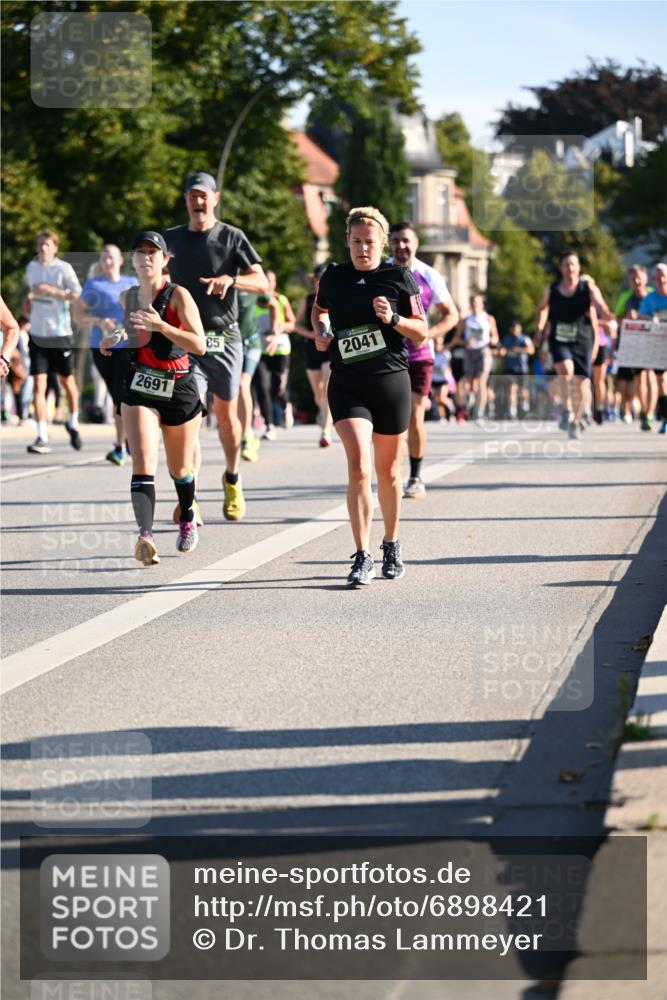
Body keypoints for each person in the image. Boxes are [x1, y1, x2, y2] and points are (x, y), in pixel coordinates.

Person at [312, 206, 428, 587]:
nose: (363, 249)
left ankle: (391, 543)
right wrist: (322, 330)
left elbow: (421, 332)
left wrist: (393, 319)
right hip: (347, 382)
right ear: (347, 241)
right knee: (360, 466)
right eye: (356, 242)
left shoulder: (399, 277)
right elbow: (319, 312)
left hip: (390, 382)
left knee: (389, 471)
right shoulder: (333, 276)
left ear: (382, 243)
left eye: (370, 242)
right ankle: (361, 555)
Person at [164, 172, 268, 522]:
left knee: (226, 417)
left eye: (204, 196)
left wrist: (232, 279)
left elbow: (262, 281)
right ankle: (189, 497)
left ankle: (232, 477)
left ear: (215, 198)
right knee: (190, 414)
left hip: (224, 338)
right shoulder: (171, 239)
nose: (198, 202)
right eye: (192, 196)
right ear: (186, 199)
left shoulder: (231, 237)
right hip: (184, 339)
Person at [100, 231, 205, 564]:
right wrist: (115, 336)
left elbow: (198, 344)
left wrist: (163, 327)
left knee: (180, 468)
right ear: (133, 259)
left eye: (152, 252)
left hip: (178, 385)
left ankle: (187, 515)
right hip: (140, 385)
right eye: (140, 252)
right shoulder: (128, 297)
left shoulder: (178, 296)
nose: (146, 257)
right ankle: (145, 535)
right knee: (143, 461)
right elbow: (130, 330)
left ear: (164, 259)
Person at [388, 222, 459, 498]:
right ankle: (390, 469)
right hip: (387, 354)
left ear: (416, 243)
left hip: (419, 355)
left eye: (405, 240)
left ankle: (415, 476)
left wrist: (429, 335)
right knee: (392, 416)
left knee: (416, 415)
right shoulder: (379, 270)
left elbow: (451, 314)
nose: (401, 246)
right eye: (395, 241)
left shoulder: (429, 275)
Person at [75, 244, 138, 465]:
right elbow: (79, 313)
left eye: (111, 256)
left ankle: (121, 446)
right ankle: (125, 441)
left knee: (122, 394)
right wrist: (98, 321)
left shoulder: (131, 283)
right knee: (115, 394)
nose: (107, 260)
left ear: (120, 260)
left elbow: (143, 308)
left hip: (128, 345)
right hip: (100, 345)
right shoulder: (94, 284)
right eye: (103, 257)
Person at [535, 252, 606, 439]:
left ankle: (575, 420)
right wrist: (539, 329)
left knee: (581, 382)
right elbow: (542, 309)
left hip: (582, 340)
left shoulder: (587, 288)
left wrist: (607, 314)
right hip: (559, 338)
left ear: (579, 267)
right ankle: (566, 409)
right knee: (566, 370)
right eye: (566, 264)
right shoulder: (552, 289)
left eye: (573, 264)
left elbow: (601, 307)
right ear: (561, 268)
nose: (570, 268)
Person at [24, 229, 82, 454]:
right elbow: (31, 294)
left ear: (55, 248)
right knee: (39, 383)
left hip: (60, 334)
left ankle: (73, 422)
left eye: (47, 245)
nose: (43, 248)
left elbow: (76, 294)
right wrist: (28, 303)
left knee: (67, 382)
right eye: (40, 244)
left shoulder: (63, 269)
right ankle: (41, 436)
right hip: (37, 333)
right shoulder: (31, 268)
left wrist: (53, 291)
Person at [294, 264, 334, 447]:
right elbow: (295, 324)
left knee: (326, 391)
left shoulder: (335, 297)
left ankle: (325, 430)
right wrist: (310, 334)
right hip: (311, 348)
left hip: (330, 348)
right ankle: (324, 412)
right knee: (318, 395)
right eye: (318, 279)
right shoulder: (308, 299)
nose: (320, 282)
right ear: (314, 280)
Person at [253, 270, 296, 439]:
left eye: (272, 280)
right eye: (266, 280)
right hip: (259, 349)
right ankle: (270, 426)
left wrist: (279, 328)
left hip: (280, 349)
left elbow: (292, 324)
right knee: (262, 387)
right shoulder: (253, 301)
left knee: (278, 388)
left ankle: (286, 405)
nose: (269, 284)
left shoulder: (281, 300)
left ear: (275, 283)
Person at [238, 289, 277, 462]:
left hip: (251, 343)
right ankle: (239, 431)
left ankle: (247, 435)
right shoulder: (213, 281)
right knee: (232, 392)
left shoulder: (250, 284)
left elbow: (273, 304)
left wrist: (274, 333)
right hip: (229, 345)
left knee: (242, 384)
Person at [450, 294, 499, 420]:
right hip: (470, 352)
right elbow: (456, 338)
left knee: (482, 381)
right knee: (470, 383)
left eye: (476, 302)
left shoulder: (488, 319)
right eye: (472, 302)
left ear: (482, 304)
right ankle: (471, 404)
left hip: (483, 351)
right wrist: (466, 342)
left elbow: (495, 336)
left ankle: (479, 412)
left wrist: (492, 340)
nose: (474, 305)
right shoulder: (466, 321)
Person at [614, 265, 651, 424]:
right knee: (636, 379)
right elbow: (616, 319)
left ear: (646, 278)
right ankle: (643, 412)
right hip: (631, 344)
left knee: (654, 378)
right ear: (629, 281)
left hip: (654, 342)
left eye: (639, 277)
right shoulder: (625, 297)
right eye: (633, 278)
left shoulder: (653, 295)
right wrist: (628, 318)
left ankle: (651, 411)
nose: (636, 281)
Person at [638, 262, 667, 434]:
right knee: (661, 381)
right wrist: (649, 321)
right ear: (654, 279)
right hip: (658, 345)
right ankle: (665, 418)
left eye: (664, 275)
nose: (662, 279)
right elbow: (642, 317)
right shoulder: (649, 299)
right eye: (658, 276)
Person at [499, 320, 534, 418]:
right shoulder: (507, 339)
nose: (515, 330)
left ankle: (525, 407)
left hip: (522, 369)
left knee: (523, 390)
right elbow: (502, 350)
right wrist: (502, 354)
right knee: (512, 388)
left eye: (517, 328)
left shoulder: (524, 339)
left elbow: (531, 350)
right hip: (510, 368)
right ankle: (512, 411)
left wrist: (518, 350)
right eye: (513, 329)